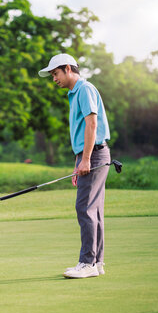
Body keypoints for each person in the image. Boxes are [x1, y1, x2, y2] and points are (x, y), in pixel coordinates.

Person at [39, 54, 111, 279]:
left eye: (55, 74)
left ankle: (87, 262)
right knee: (94, 210)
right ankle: (96, 262)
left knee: (85, 208)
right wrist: (78, 161)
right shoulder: (75, 93)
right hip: (91, 154)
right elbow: (82, 132)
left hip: (95, 155)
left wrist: (87, 159)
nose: (54, 79)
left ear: (68, 69)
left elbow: (92, 124)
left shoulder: (84, 89)